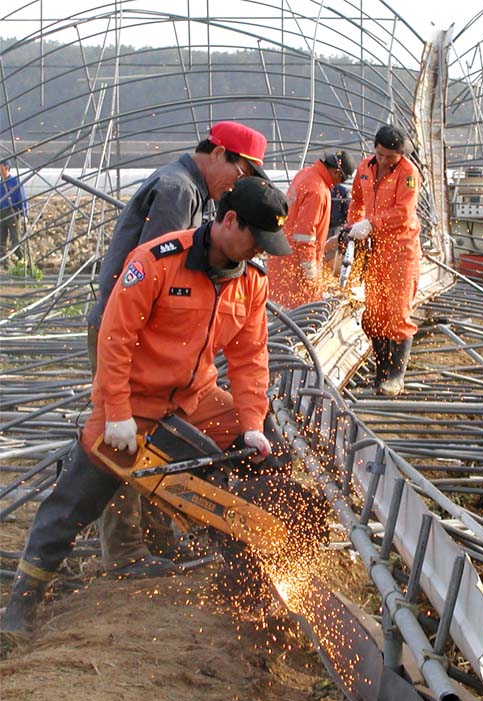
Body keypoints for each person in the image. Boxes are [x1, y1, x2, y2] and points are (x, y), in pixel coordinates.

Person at [0, 176, 292, 647]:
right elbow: (115, 341)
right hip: (133, 402)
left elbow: (249, 359)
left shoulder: (250, 282)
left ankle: (251, 568)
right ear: (229, 220)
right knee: (77, 498)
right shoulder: (157, 262)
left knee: (265, 454)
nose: (257, 253)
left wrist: (254, 426)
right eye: (254, 241)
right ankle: (23, 600)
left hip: (195, 399)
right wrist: (115, 411)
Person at [88, 121, 270, 578]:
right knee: (125, 436)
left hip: (138, 332)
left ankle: (155, 534)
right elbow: (161, 279)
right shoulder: (179, 190)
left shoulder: (192, 189)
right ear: (221, 154)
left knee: (155, 435)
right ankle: (126, 552)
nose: (239, 186)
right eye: (242, 174)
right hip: (128, 333)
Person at [347, 124, 422, 396]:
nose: (385, 160)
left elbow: (403, 212)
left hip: (401, 251)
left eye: (391, 157)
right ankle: (380, 374)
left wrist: (371, 222)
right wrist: (354, 226)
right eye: (380, 154)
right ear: (374, 149)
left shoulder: (409, 173)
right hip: (375, 250)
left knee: (398, 313)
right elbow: (355, 199)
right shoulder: (364, 169)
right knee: (374, 314)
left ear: (401, 155)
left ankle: (396, 377)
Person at [267, 150, 356, 309]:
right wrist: (311, 276)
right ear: (337, 172)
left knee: (278, 312)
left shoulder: (306, 173)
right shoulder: (318, 190)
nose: (338, 183)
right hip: (295, 269)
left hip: (282, 258)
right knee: (299, 318)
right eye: (341, 179)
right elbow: (304, 238)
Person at [0, 158, 28, 257]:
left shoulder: (14, 181)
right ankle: (5, 265)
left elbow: (22, 198)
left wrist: (25, 215)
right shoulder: (0, 183)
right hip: (1, 213)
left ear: (6, 168)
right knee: (1, 242)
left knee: (16, 240)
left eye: (1, 167)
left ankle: (24, 262)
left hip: (12, 213)